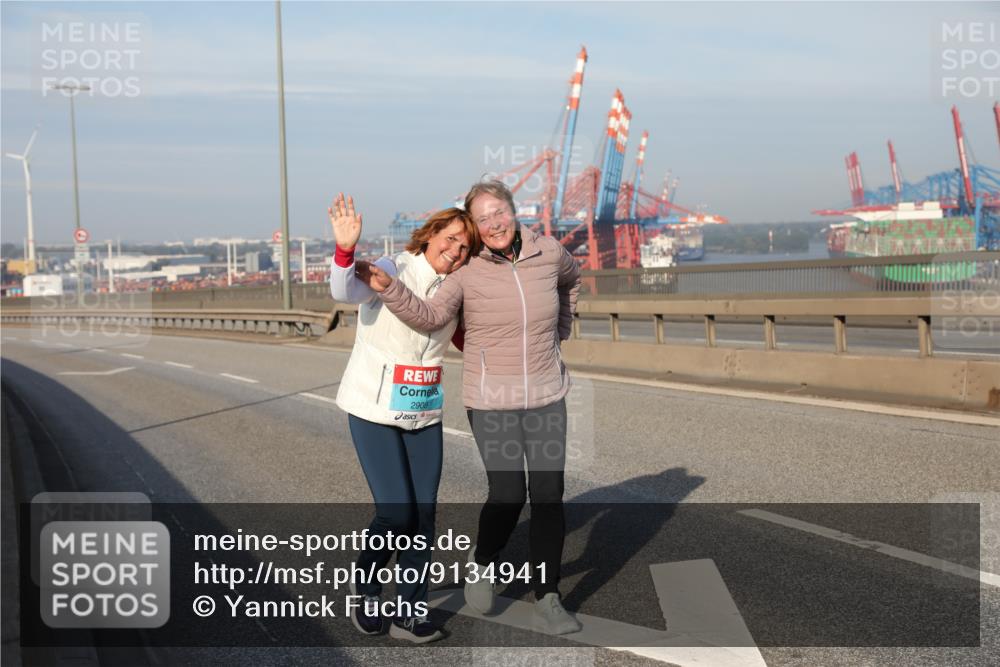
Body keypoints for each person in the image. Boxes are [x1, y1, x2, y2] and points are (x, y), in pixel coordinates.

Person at [360, 180, 583, 635]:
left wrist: (562, 327)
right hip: (492, 399)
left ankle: (548, 596)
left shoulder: (549, 253)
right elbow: (431, 316)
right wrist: (388, 289)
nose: (494, 223)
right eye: (483, 219)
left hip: (547, 394)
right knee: (507, 494)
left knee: (547, 496)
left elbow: (572, 278)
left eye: (499, 212)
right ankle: (482, 563)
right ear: (476, 228)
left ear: (514, 211)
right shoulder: (466, 271)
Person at [328, 193, 478, 643]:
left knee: (424, 517)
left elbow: (469, 342)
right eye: (450, 238)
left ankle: (409, 612)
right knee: (396, 514)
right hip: (373, 407)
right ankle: (367, 584)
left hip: (423, 413)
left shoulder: (459, 289)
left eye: (465, 247)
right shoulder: (395, 268)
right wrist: (345, 250)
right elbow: (345, 290)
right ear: (430, 234)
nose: (455, 250)